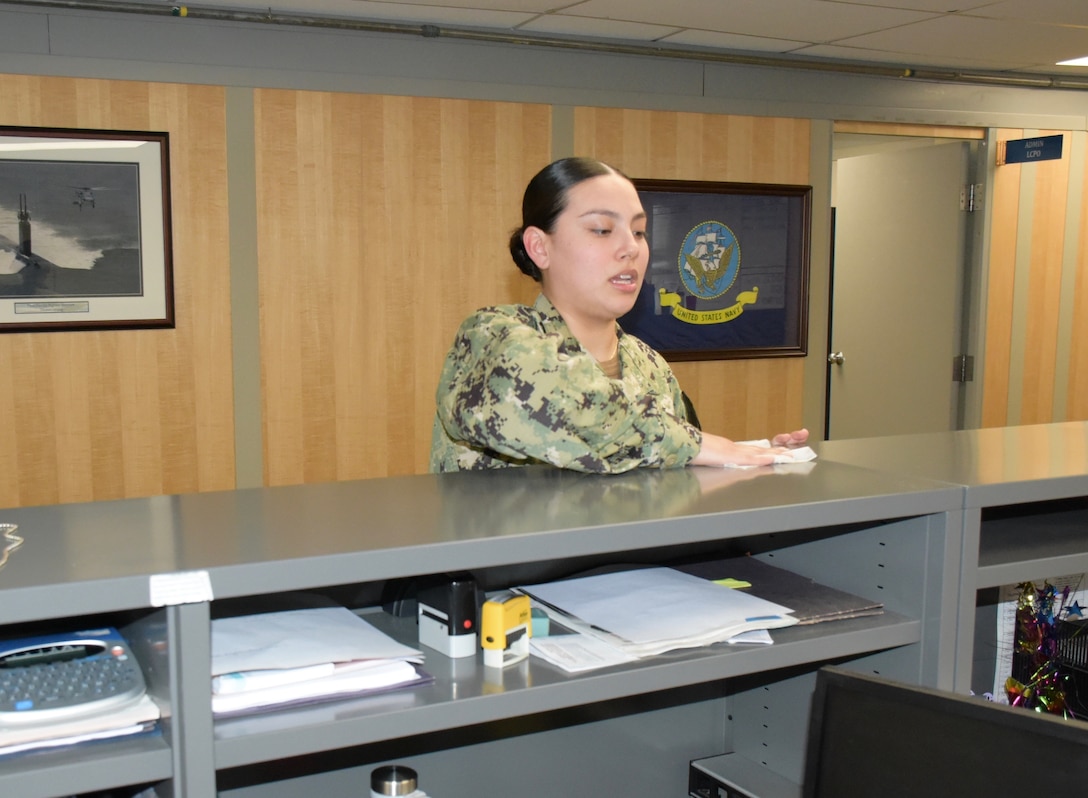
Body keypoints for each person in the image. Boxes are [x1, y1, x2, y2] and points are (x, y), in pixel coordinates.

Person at [429, 156, 808, 474]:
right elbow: (557, 403)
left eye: (640, 231)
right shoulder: (491, 339)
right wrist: (691, 446)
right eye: (602, 229)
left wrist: (752, 460)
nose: (631, 248)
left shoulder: (650, 367)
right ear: (539, 247)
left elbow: (679, 469)